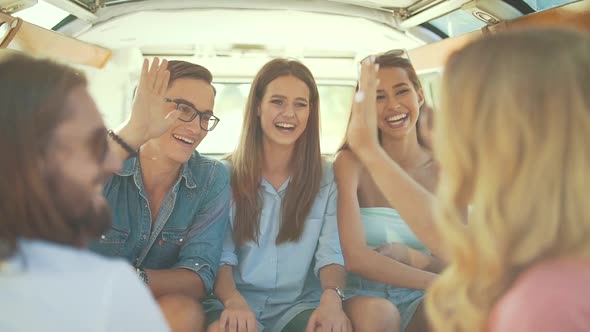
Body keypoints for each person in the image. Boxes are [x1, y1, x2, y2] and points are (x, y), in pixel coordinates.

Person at [346, 28, 590, 332]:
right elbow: (459, 243)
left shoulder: (545, 304)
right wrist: (369, 151)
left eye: (458, 117)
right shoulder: (545, 249)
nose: (439, 133)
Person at [206, 58, 397, 332]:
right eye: (278, 102)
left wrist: (332, 298)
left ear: (311, 112)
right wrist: (233, 301)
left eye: (300, 104)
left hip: (298, 306)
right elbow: (222, 257)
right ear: (257, 107)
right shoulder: (223, 174)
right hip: (233, 300)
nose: (289, 114)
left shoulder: (328, 174)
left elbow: (331, 253)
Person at [0, 51, 170, 331]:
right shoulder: (106, 288)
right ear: (29, 158)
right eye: (95, 145)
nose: (114, 164)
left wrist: (134, 132)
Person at [89, 58, 231, 332]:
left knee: (185, 310)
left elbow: (198, 276)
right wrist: (134, 130)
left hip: (161, 307)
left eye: (204, 116)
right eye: (183, 109)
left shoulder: (212, 176)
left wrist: (131, 279)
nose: (196, 127)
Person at [334, 51, 445, 332]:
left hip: (423, 293)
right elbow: (356, 258)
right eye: (378, 96)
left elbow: (461, 258)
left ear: (419, 95)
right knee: (381, 315)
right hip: (363, 294)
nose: (393, 105)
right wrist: (436, 282)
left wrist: (415, 258)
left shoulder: (446, 167)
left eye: (401, 91)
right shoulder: (349, 163)